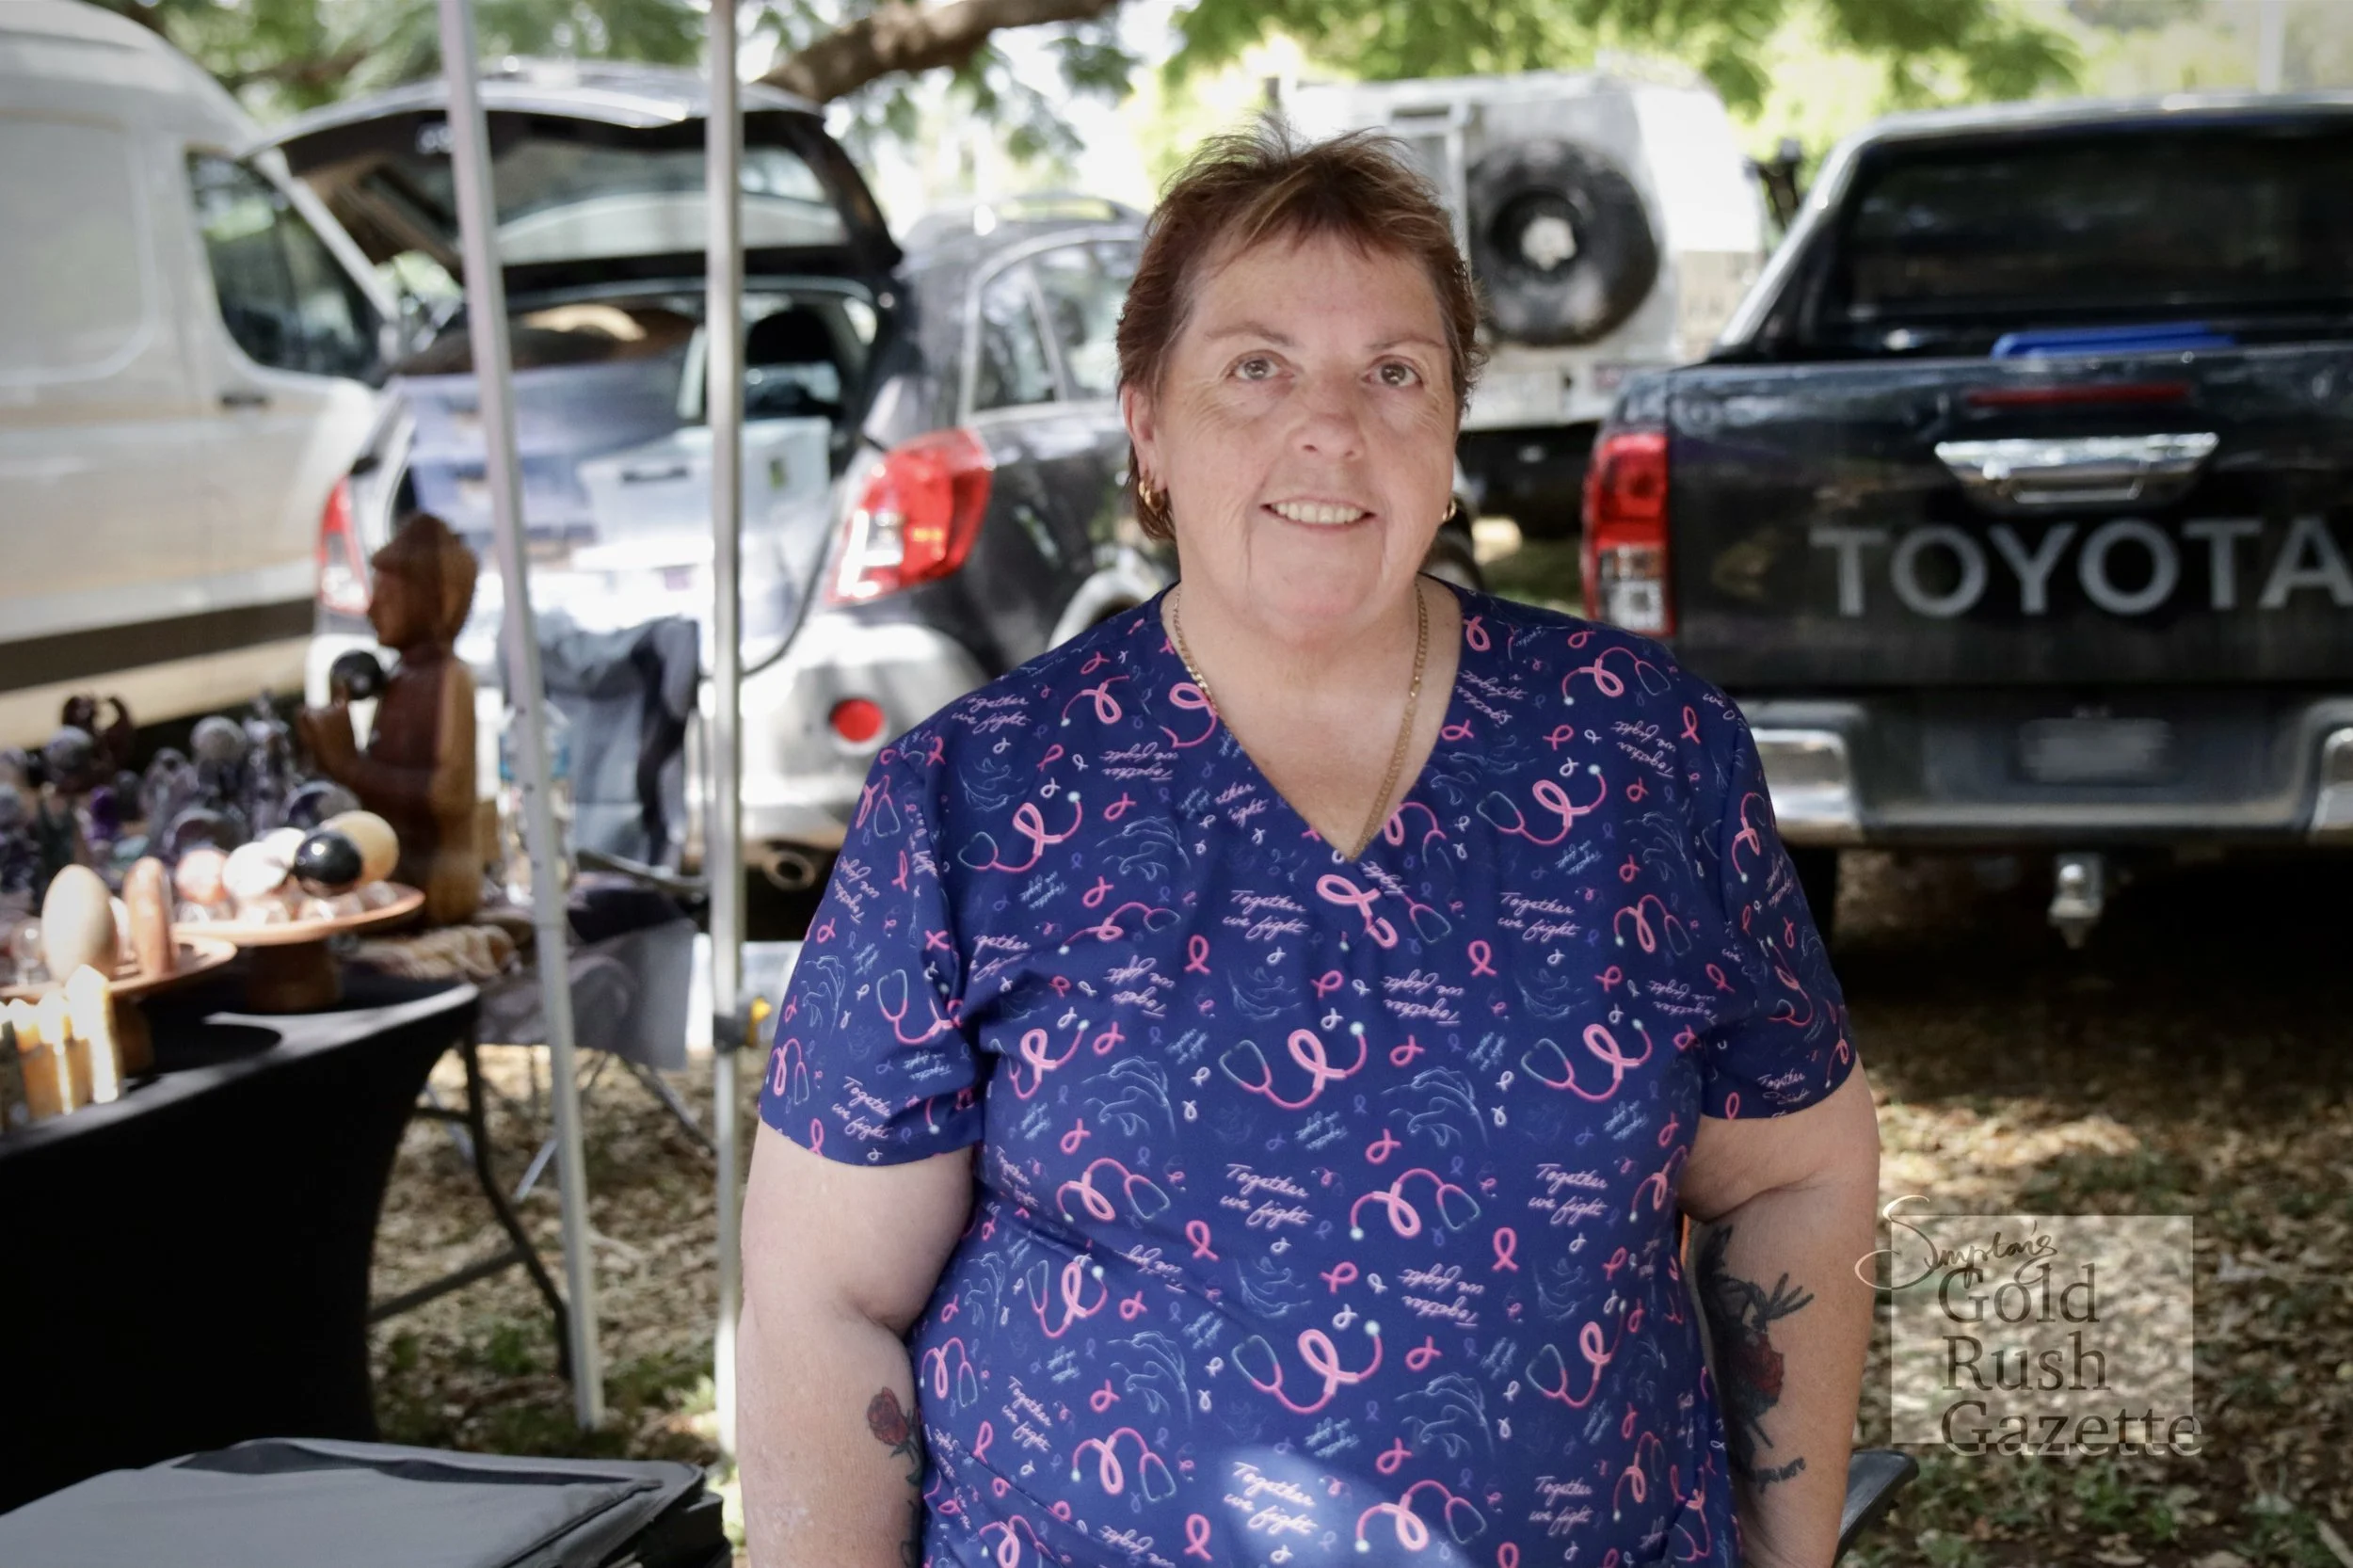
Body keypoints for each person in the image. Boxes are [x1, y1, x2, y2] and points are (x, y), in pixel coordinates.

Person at [739, 121, 1880, 1568]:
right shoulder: (971, 801)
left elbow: (1797, 1169)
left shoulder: (1643, 755)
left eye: (1394, 371)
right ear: (1147, 421)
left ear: (1454, 430)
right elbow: (819, 1300)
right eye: (1257, 366)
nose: (1329, 427)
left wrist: (1788, 1554)